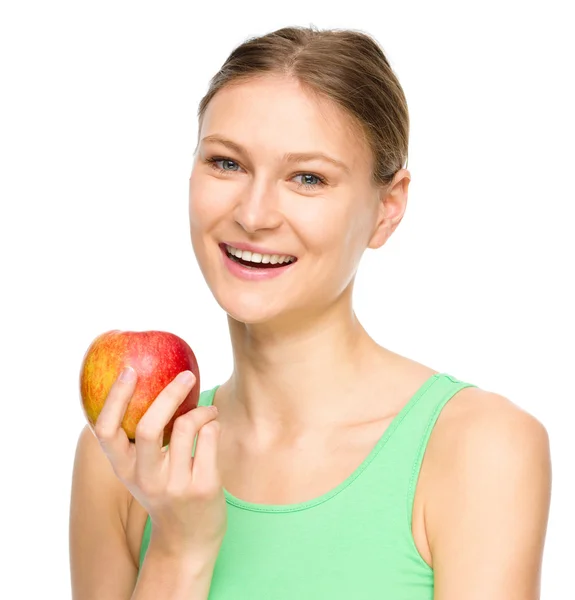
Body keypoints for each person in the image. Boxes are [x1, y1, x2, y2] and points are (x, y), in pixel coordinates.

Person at [69, 25, 552, 600]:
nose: (253, 213)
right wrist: (177, 547)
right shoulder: (128, 452)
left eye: (308, 178)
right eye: (226, 164)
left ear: (387, 209)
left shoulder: (479, 447)